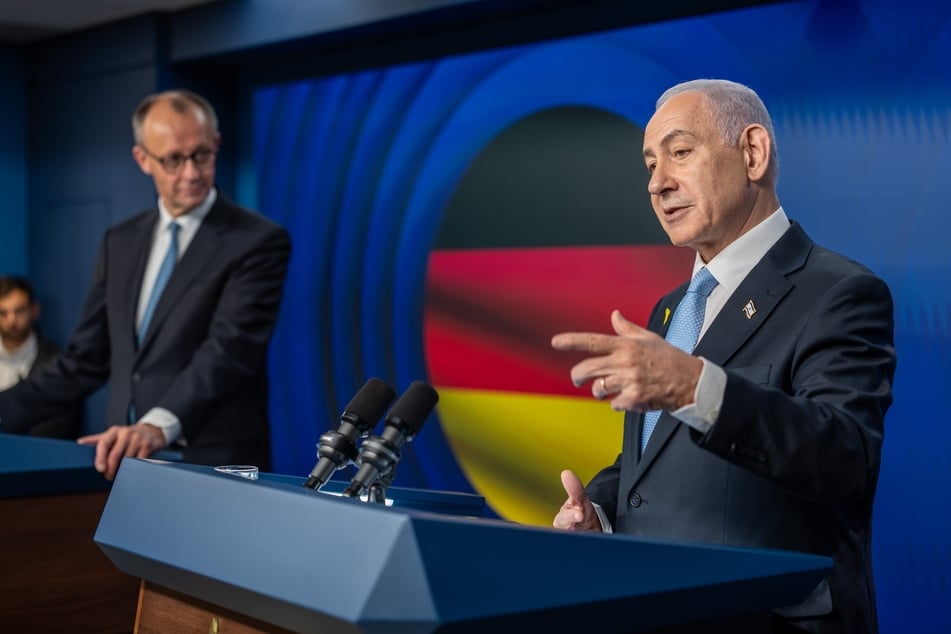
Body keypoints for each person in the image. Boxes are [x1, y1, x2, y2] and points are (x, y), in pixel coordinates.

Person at [550, 79, 895, 634]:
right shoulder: (670, 309)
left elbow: (844, 456)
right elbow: (660, 463)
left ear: (752, 153)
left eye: (680, 153)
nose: (658, 184)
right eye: (649, 165)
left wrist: (695, 388)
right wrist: (601, 511)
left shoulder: (839, 292)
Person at [0, 90, 291, 480]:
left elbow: (229, 351)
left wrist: (156, 426)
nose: (191, 173)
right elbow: (84, 361)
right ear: (143, 159)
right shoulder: (119, 241)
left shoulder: (257, 239)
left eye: (201, 155)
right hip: (124, 467)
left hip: (216, 463)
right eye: (173, 159)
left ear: (217, 145)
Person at [0, 275, 82, 438]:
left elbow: (63, 422)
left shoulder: (57, 362)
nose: (12, 320)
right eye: (3, 313)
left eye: (19, 310)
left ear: (34, 310)